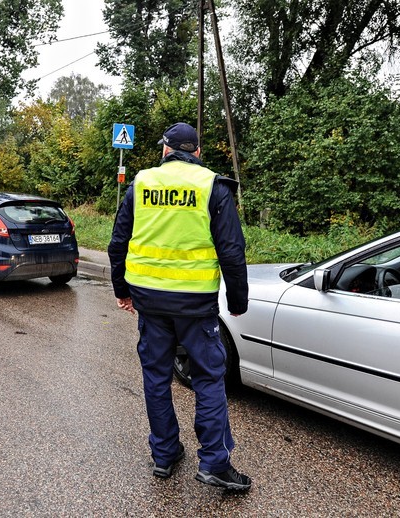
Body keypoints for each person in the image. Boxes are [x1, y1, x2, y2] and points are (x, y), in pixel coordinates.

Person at [108, 122, 251, 490]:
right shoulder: (212, 187)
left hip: (150, 303)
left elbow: (117, 243)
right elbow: (232, 253)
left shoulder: (141, 184)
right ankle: (215, 464)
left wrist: (122, 290)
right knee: (208, 378)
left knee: (156, 377)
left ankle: (165, 454)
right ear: (198, 153)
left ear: (165, 150)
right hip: (196, 305)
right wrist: (237, 301)